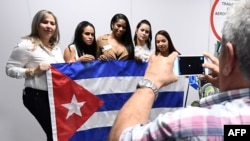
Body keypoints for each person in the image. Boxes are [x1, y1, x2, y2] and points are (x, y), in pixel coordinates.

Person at [108, 0, 250, 140]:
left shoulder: (187, 125)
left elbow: (120, 137)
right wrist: (228, 85)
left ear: (229, 58)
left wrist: (151, 81)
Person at [6, 10, 64, 141]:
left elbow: (61, 71)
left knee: (58, 133)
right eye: (45, 22)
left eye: (52, 23)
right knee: (56, 134)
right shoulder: (26, 45)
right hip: (36, 97)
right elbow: (9, 69)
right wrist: (33, 71)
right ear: (37, 24)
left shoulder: (56, 48)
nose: (49, 26)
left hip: (54, 97)